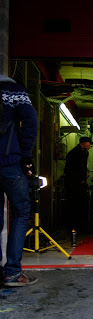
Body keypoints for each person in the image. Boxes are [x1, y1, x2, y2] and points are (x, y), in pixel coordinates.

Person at [0, 74, 38, 287]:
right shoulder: (13, 90)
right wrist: (24, 156)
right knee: (21, 212)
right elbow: (30, 121)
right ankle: (13, 272)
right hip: (10, 163)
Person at [64, 136, 93, 232]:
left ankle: (71, 226)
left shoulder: (72, 152)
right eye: (89, 144)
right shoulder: (82, 152)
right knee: (78, 205)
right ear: (85, 143)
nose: (90, 146)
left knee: (71, 205)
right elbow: (81, 166)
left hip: (70, 183)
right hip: (77, 184)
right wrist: (82, 178)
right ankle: (79, 227)